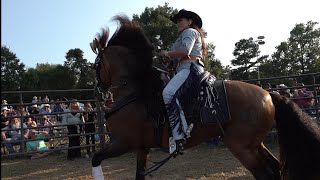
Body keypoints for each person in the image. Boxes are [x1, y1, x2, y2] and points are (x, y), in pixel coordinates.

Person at [158, 9, 206, 155]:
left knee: (168, 93)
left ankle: (179, 136)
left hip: (190, 68)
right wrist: (165, 57)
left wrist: (166, 53)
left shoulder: (189, 32)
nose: (177, 23)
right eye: (177, 21)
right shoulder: (183, 35)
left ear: (190, 21)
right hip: (184, 68)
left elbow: (185, 51)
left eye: (180, 20)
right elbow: (174, 56)